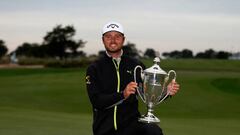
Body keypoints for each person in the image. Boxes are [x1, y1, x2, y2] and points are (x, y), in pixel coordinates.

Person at [86, 21, 180, 135]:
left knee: (153, 131)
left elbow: (147, 93)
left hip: (131, 125)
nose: (113, 40)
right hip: (105, 128)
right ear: (103, 40)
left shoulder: (136, 65)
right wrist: (123, 94)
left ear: (123, 39)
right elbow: (97, 101)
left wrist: (166, 92)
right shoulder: (94, 68)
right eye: (108, 36)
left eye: (117, 36)